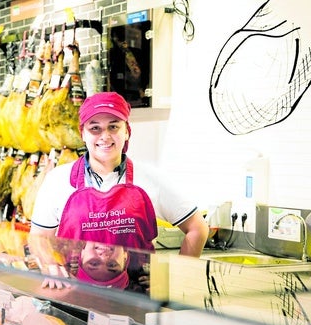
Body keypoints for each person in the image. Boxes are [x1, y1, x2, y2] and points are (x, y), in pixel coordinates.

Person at [29, 92, 209, 265]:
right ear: (83, 133)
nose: (105, 136)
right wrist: (53, 269)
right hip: (76, 292)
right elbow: (39, 239)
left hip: (134, 293)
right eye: (95, 128)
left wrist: (175, 279)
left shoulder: (150, 178)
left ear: (127, 132)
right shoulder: (58, 180)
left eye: (113, 126)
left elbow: (197, 228)